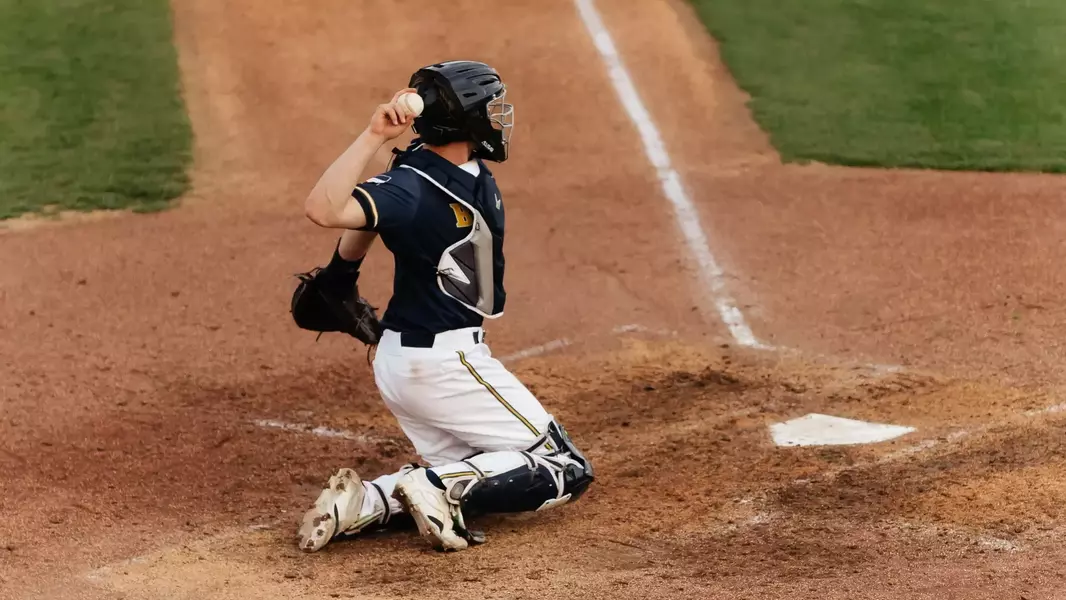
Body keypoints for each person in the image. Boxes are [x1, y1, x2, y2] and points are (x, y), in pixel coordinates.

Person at [295, 61, 594, 553]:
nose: (499, 117)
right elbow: (323, 209)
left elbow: (375, 220)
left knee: (481, 469)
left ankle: (365, 501)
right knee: (563, 465)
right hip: (444, 364)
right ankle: (434, 486)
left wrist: (341, 274)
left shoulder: (430, 168)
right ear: (466, 118)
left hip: (407, 362)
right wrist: (373, 135)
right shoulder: (412, 187)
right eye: (491, 108)